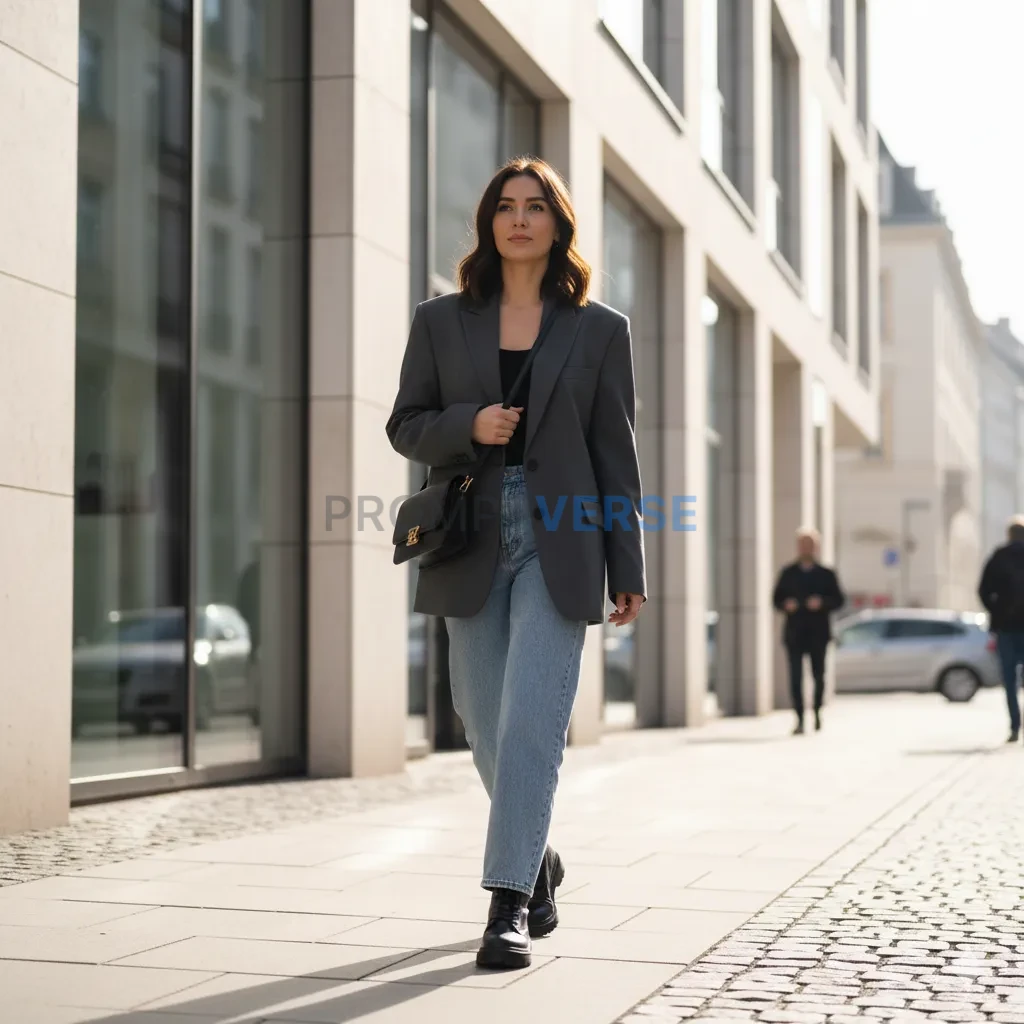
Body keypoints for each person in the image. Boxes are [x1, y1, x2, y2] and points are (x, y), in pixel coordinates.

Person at [386, 156, 646, 970]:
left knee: (533, 720)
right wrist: (470, 424)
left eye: (536, 207)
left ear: (558, 223)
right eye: (506, 206)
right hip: (470, 532)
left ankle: (506, 907)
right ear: (488, 222)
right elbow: (405, 424)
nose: (520, 219)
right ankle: (540, 860)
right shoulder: (440, 319)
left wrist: (628, 563)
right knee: (480, 715)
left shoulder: (599, 329)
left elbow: (616, 456)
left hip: (561, 536)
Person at [772, 527, 845, 735]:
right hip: (795, 633)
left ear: (816, 547)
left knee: (818, 675)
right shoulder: (788, 573)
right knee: (795, 677)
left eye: (810, 544)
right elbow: (776, 600)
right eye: (803, 544)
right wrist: (786, 605)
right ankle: (799, 718)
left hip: (818, 633)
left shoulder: (826, 574)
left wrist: (821, 603)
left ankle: (817, 712)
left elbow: (839, 600)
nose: (806, 548)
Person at [977, 515, 1024, 742]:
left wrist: (996, 610)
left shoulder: (999, 557)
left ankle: (1015, 726)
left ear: (1009, 535)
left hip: (1006, 627)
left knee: (1009, 679)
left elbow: (983, 590)